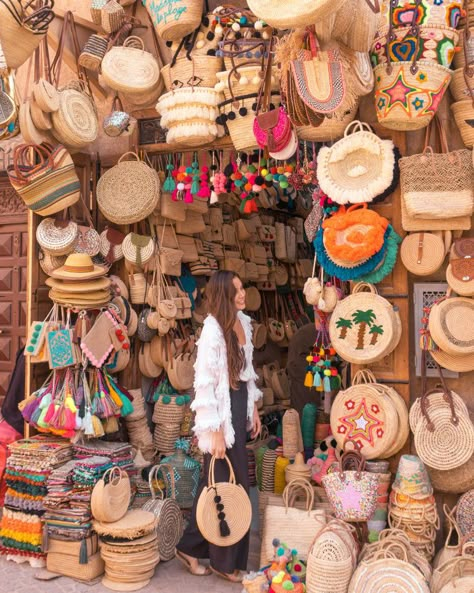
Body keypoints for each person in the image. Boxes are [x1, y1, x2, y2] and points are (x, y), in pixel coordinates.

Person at [176, 270, 262, 583]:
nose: (242, 294)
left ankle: (191, 546)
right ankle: (223, 562)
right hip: (220, 415)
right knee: (228, 482)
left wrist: (253, 408)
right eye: (237, 290)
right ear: (224, 295)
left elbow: (247, 373)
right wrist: (212, 429)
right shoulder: (213, 329)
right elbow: (205, 382)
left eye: (243, 288)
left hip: (238, 406)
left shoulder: (245, 324)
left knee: (219, 482)